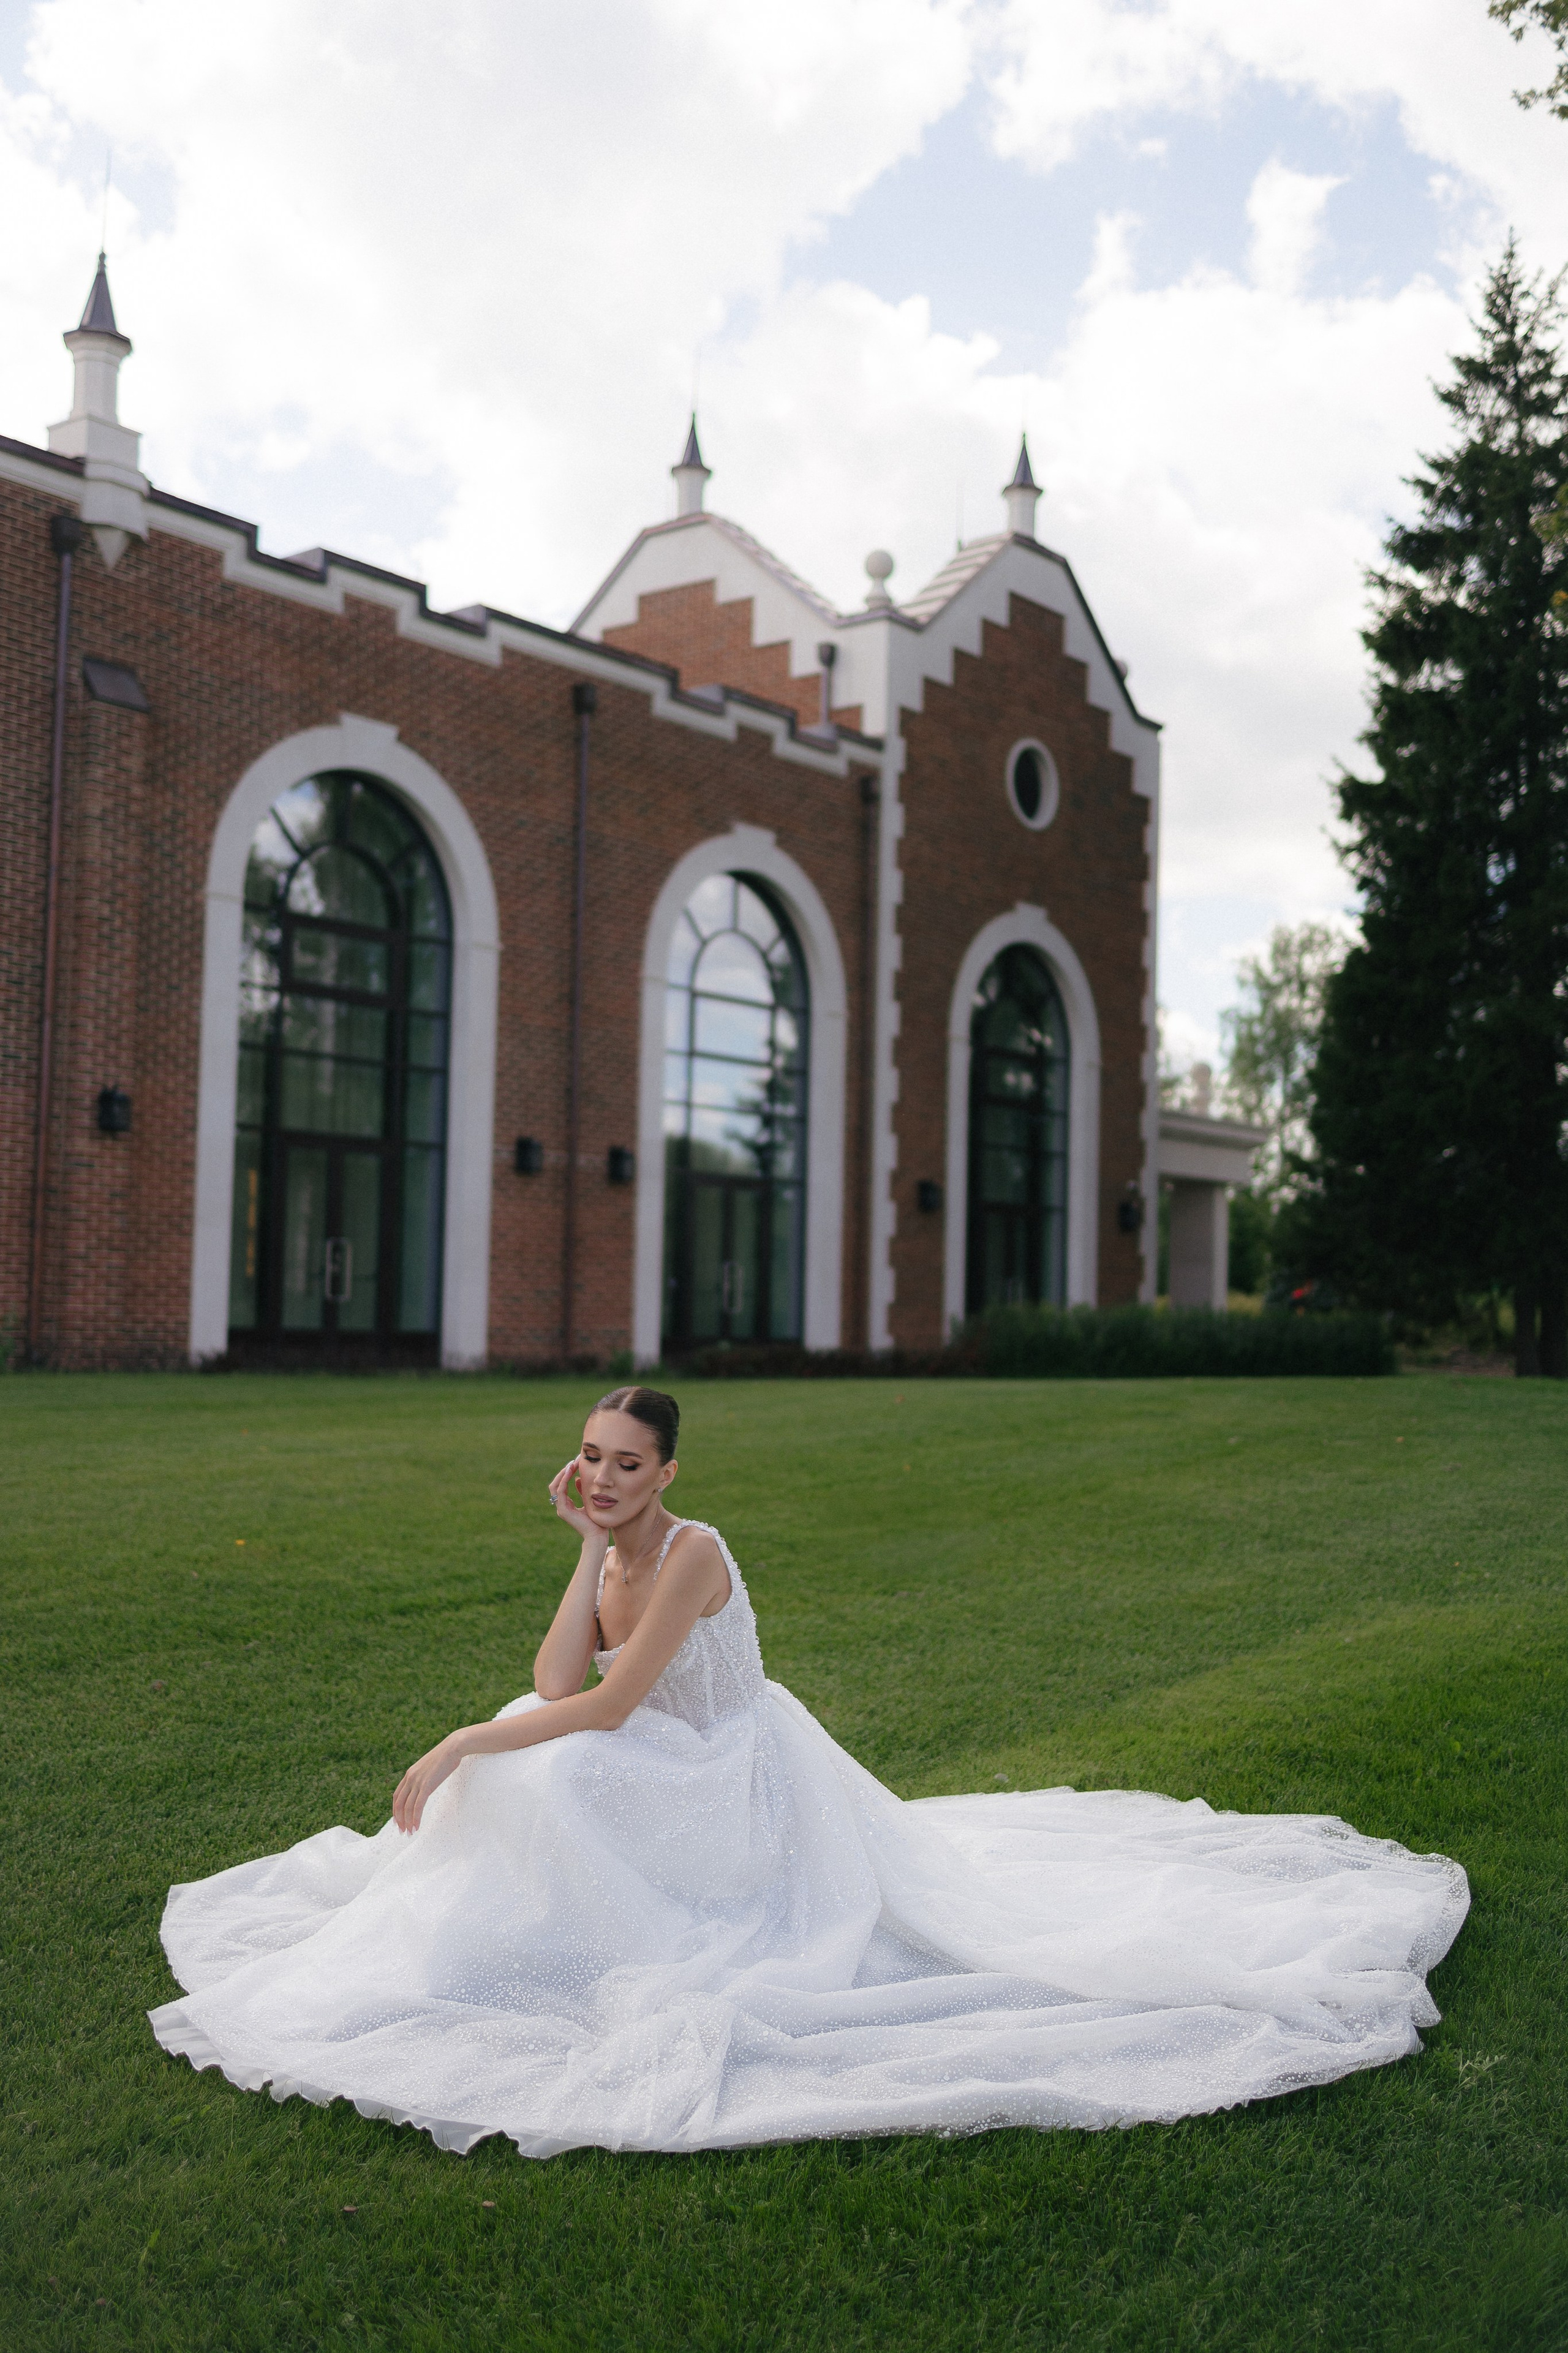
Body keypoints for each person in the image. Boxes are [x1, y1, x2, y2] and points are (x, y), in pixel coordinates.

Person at [150, 1386, 1468, 2158]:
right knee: (524, 1751)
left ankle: (574, 1942)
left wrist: (450, 1742)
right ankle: (478, 1954)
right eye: (590, 1460)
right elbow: (559, 1681)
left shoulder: (694, 1551)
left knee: (525, 1763)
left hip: (729, 1774)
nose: (604, 1479)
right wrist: (574, 1546)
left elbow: (605, 1707)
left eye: (625, 1466)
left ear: (668, 1470)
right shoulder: (607, 1545)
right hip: (646, 1752)